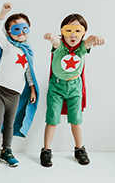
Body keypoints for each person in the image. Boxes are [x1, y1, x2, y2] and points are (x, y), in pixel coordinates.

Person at [40, 13, 105, 167]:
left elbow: (89, 41)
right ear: (62, 31)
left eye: (78, 30)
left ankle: (79, 149)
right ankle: (46, 150)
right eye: (69, 30)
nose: (73, 34)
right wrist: (51, 37)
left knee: (76, 120)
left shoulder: (81, 48)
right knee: (52, 120)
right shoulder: (60, 46)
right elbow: (55, 42)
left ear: (83, 32)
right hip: (57, 86)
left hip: (75, 86)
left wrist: (95, 38)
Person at [0, 3, 39, 167]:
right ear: (9, 32)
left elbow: (29, 73)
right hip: (0, 90)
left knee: (9, 123)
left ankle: (6, 151)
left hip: (15, 94)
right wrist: (3, 13)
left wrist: (33, 88)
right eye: (16, 29)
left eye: (24, 28)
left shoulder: (27, 51)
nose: (21, 32)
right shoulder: (6, 45)